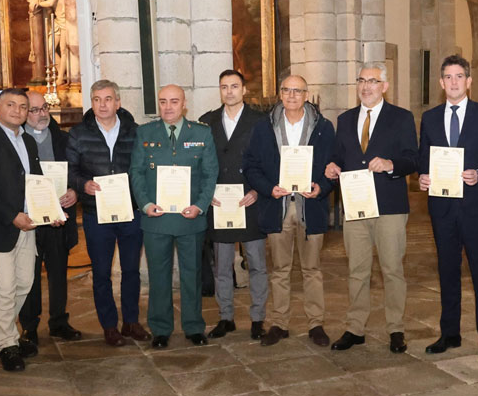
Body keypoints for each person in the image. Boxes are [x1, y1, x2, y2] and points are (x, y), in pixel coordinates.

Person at [325, 63, 418, 353]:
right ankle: (355, 328)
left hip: (389, 205)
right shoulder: (345, 119)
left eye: (373, 81)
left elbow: (413, 159)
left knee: (392, 270)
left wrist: (391, 165)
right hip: (355, 208)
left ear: (384, 86)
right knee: (357, 270)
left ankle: (396, 329)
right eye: (362, 81)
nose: (366, 87)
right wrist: (332, 167)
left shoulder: (401, 118)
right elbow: (339, 157)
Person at [417, 55, 478, 359]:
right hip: (441, 208)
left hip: (476, 207)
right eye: (448, 77)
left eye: (459, 76)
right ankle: (449, 333)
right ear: (441, 83)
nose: (454, 82)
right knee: (447, 271)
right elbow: (423, 157)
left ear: (469, 81)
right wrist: (422, 177)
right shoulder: (429, 118)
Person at [243, 75, 336, 347]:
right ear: (280, 94)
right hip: (278, 205)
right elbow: (250, 166)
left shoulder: (323, 127)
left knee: (312, 269)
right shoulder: (264, 128)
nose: (292, 95)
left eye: (298, 91)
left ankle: (316, 324)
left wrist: (321, 187)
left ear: (307, 95)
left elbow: (334, 165)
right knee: (280, 270)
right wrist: (268, 188)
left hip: (311, 206)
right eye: (287, 90)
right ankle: (279, 323)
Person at [129, 84, 218, 348]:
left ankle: (193, 327)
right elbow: (136, 172)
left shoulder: (202, 133)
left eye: (174, 101)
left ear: (184, 104)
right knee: (159, 275)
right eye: (163, 101)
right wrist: (144, 204)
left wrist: (200, 206)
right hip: (156, 218)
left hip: (190, 218)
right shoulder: (145, 132)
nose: (168, 107)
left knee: (192, 274)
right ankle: (160, 329)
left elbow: (210, 173)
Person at [0, 88, 57, 372]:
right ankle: (7, 344)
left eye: (23, 107)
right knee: (3, 289)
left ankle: (0, 336)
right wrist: (12, 216)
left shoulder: (28, 142)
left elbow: (35, 182)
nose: (18, 111)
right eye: (11, 105)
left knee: (24, 283)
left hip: (28, 225)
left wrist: (50, 211)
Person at [66, 80, 148, 346]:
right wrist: (83, 184)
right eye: (97, 99)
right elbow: (70, 169)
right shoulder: (78, 134)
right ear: (92, 103)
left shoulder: (135, 132)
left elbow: (145, 168)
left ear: (118, 102)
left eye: (108, 99)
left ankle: (131, 322)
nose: (103, 104)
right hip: (95, 213)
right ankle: (109, 325)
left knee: (131, 270)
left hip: (130, 212)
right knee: (101, 272)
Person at [199, 70, 269, 340]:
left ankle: (258, 318)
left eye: (234, 86)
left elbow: (269, 159)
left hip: (249, 200)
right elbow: (201, 162)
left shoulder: (260, 121)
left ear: (244, 89)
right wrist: (207, 193)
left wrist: (258, 191)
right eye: (224, 87)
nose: (229, 91)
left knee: (257, 264)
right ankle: (225, 316)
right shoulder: (208, 121)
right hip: (220, 202)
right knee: (222, 265)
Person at [20, 91, 81, 344]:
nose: (41, 114)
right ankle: (29, 327)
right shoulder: (16, 140)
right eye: (34, 110)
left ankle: (58, 321)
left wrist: (74, 191)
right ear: (24, 113)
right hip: (29, 220)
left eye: (44, 108)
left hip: (58, 218)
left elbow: (78, 171)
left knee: (58, 272)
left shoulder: (64, 140)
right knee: (29, 276)